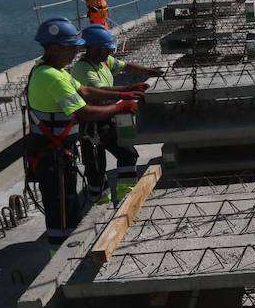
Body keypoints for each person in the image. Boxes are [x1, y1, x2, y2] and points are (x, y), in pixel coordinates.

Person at [25, 18, 142, 245]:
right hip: (50, 154)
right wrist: (120, 106)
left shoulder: (51, 69)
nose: (76, 52)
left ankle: (65, 247)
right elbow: (83, 112)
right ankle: (58, 259)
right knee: (61, 208)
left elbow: (86, 90)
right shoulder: (51, 77)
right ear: (55, 48)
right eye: (72, 48)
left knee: (67, 203)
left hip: (56, 151)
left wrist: (125, 90)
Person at [71, 24, 163, 204]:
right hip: (93, 122)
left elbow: (125, 66)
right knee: (96, 167)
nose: (110, 53)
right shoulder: (83, 69)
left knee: (128, 154)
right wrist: (126, 91)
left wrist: (147, 71)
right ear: (95, 48)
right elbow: (99, 91)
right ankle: (99, 203)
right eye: (106, 49)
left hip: (110, 117)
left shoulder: (104, 61)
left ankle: (125, 196)